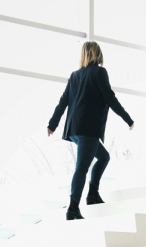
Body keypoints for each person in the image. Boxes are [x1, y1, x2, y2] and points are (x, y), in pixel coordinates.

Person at [47, 41, 134, 220]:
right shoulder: (99, 72)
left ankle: (92, 194)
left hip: (75, 130)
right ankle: (72, 208)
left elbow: (63, 101)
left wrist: (53, 124)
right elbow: (110, 98)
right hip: (89, 129)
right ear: (98, 54)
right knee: (81, 168)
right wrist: (127, 119)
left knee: (104, 157)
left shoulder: (75, 75)